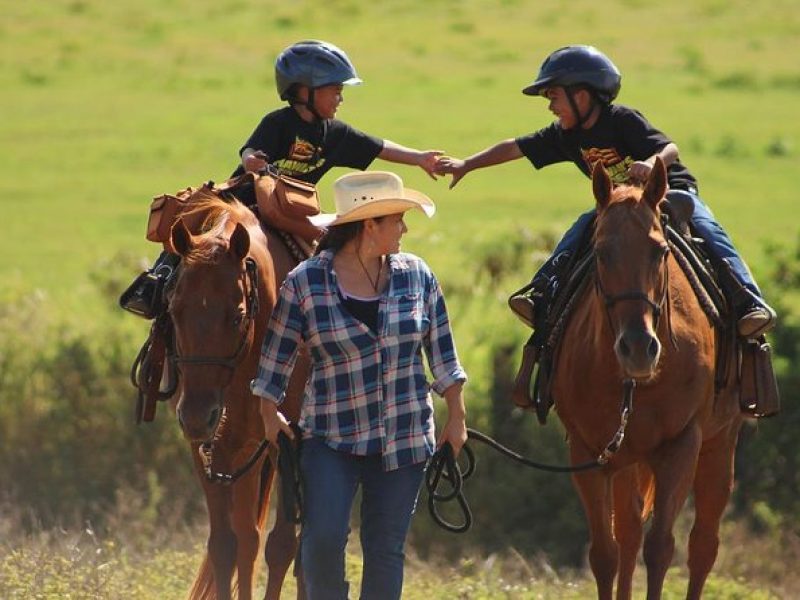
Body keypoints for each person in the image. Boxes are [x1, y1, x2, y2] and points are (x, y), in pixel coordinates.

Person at [435, 45, 776, 340]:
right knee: (582, 227)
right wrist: (467, 164)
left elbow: (670, 147)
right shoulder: (565, 135)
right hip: (617, 206)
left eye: (554, 96)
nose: (551, 106)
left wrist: (650, 161)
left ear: (580, 95)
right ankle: (542, 293)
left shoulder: (623, 120)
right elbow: (516, 148)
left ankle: (749, 300)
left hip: (667, 195)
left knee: (706, 227)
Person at [252, 171, 468, 600]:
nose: (405, 228)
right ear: (370, 225)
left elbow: (442, 351)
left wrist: (457, 416)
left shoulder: (417, 276)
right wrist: (267, 412)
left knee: (385, 550)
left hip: (404, 438)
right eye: (397, 220)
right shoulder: (306, 282)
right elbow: (275, 356)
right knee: (323, 540)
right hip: (332, 439)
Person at [122, 39, 443, 318]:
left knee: (330, 259)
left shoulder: (336, 133)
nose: (340, 98)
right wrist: (250, 160)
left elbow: (378, 147)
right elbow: (249, 150)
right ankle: (158, 279)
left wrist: (419, 158)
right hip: (242, 202)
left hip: (291, 212)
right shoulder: (278, 123)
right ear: (305, 91)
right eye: (335, 90)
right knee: (191, 214)